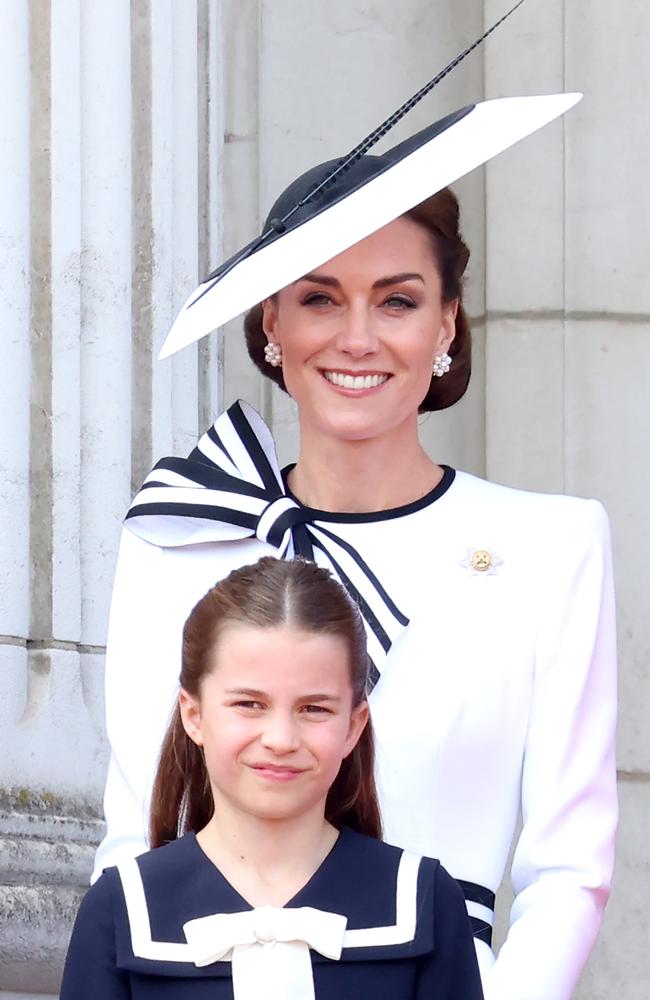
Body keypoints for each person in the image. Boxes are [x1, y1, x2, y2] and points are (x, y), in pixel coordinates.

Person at [91, 54, 616, 1000]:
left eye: (400, 300)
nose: (358, 338)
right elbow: (137, 837)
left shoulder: (553, 546)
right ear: (271, 328)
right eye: (320, 298)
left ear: (448, 323)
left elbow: (569, 871)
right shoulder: (177, 534)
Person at [62, 557, 483, 999]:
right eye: (249, 704)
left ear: (354, 726)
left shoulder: (422, 901)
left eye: (314, 709)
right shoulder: (122, 908)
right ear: (194, 714)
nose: (281, 738)